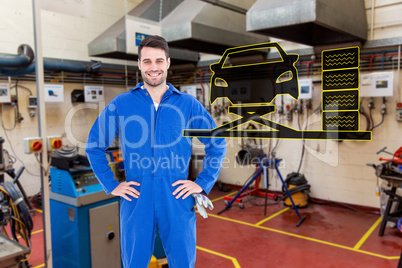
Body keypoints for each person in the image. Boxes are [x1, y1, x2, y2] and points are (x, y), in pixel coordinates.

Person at [85, 35, 227, 268]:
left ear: (168, 63)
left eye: (159, 61)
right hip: (136, 196)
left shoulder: (187, 104)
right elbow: (94, 145)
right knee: (134, 262)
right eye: (147, 61)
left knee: (183, 261)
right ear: (139, 64)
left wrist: (202, 183)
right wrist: (111, 185)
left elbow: (217, 142)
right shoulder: (122, 103)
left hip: (177, 196)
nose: (154, 68)